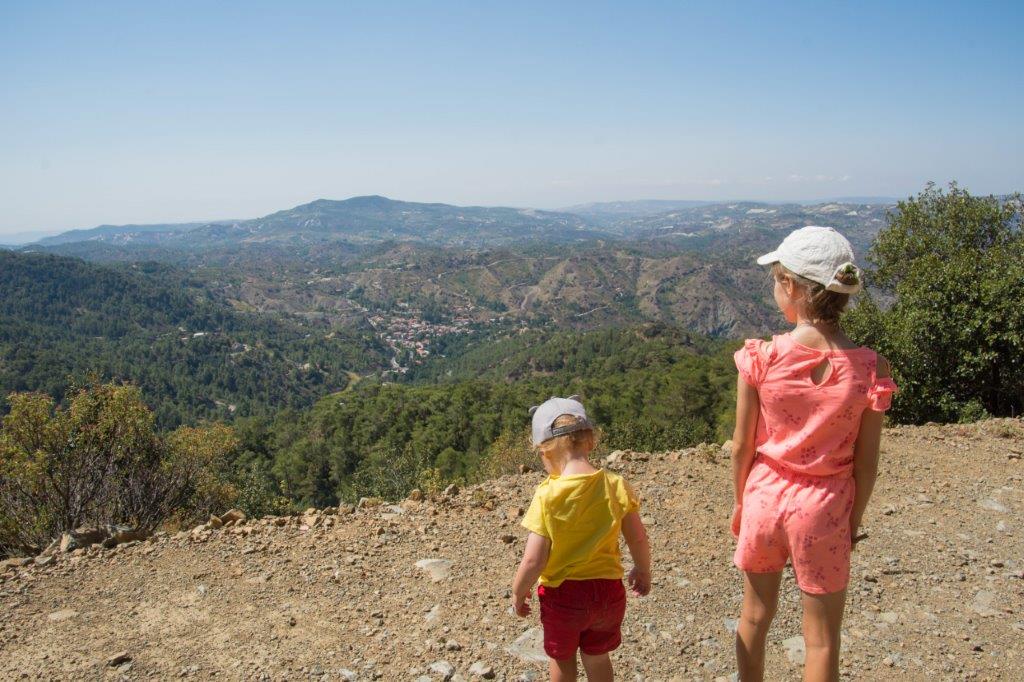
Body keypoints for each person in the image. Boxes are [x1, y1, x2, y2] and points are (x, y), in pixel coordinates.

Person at [730, 226, 897, 682]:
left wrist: (742, 502)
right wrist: (854, 518)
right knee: (821, 638)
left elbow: (743, 445)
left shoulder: (761, 357)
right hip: (825, 507)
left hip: (765, 495)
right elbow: (867, 462)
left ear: (792, 287)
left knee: (754, 617)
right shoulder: (871, 368)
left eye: (776, 280)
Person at [511, 395, 652, 682]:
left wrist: (518, 591)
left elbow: (534, 560)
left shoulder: (547, 495)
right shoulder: (615, 485)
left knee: (562, 661)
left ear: (545, 451)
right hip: (609, 594)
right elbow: (637, 539)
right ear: (589, 441)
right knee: (598, 657)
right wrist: (643, 569)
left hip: (563, 597)